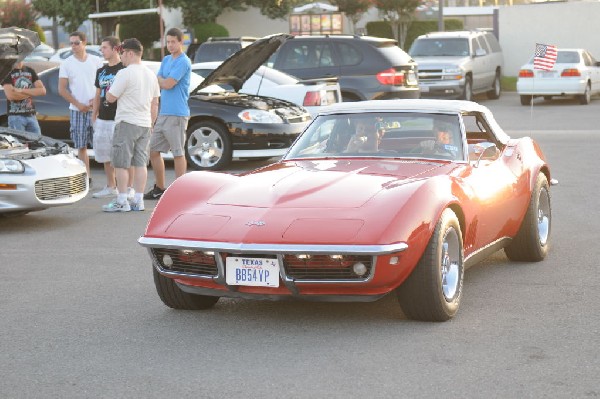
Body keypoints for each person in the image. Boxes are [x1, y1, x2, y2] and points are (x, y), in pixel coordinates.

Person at [102, 38, 160, 213]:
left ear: (130, 53)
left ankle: (121, 200)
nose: (121, 57)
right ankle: (138, 200)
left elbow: (110, 97)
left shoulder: (124, 73)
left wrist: (108, 93)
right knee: (140, 163)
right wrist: (151, 123)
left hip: (126, 121)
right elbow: (155, 103)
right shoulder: (151, 74)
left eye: (123, 53)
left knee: (120, 163)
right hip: (144, 123)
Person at [144, 27, 191, 201]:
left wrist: (162, 80)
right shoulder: (165, 59)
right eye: (168, 41)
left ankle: (180, 190)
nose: (170, 45)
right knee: (153, 151)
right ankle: (160, 188)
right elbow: (159, 81)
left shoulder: (184, 61)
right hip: (163, 113)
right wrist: (162, 80)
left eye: (173, 41)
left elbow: (168, 83)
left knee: (178, 153)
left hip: (177, 113)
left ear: (181, 42)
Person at [91, 36, 135, 199]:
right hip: (103, 118)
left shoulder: (124, 70)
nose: (102, 51)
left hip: (120, 118)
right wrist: (94, 114)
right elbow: (97, 94)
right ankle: (111, 186)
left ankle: (129, 187)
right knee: (104, 154)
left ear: (115, 49)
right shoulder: (100, 71)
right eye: (101, 48)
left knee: (124, 154)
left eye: (105, 47)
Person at [58, 31, 104, 181]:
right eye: (71, 43)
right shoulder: (67, 63)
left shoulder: (96, 61)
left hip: (96, 109)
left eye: (76, 43)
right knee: (81, 146)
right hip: (77, 111)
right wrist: (78, 104)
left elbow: (104, 84)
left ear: (84, 43)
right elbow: (62, 89)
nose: (73, 46)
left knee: (103, 146)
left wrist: (95, 101)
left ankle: (111, 183)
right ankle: (87, 177)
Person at [2, 61, 46, 135]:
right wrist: (32, 92)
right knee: (19, 144)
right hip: (16, 116)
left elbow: (42, 91)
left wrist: (20, 90)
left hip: (31, 115)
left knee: (37, 143)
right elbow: (11, 96)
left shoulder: (30, 70)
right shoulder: (6, 72)